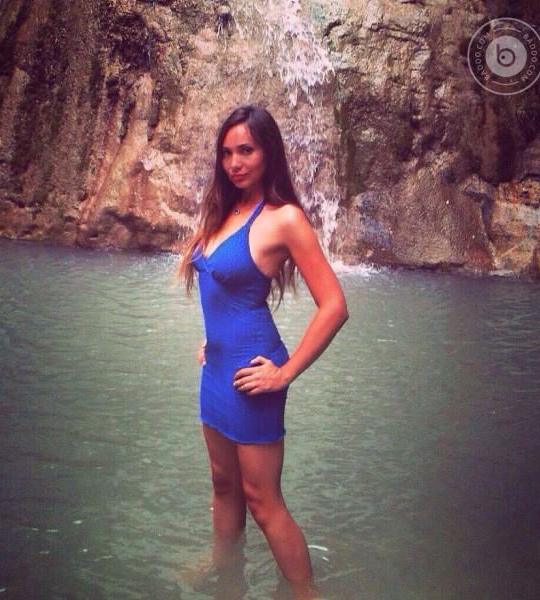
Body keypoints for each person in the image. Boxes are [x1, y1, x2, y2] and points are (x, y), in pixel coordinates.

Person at [178, 104, 348, 598]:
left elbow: (334, 306)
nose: (234, 163)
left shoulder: (284, 218)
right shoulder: (223, 210)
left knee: (262, 499)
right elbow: (223, 291)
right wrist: (214, 339)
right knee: (222, 483)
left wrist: (285, 371)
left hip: (254, 375)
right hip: (216, 369)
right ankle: (223, 568)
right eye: (226, 153)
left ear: (268, 151)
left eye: (246, 151)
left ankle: (304, 592)